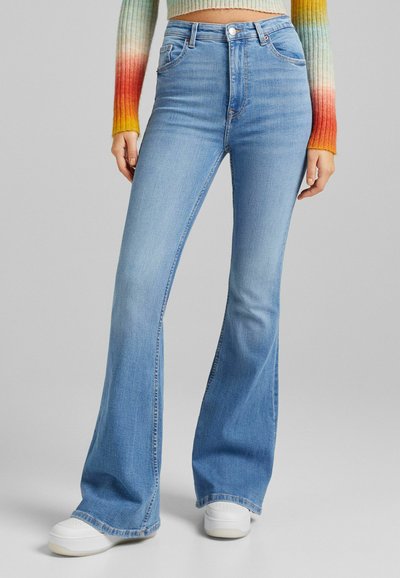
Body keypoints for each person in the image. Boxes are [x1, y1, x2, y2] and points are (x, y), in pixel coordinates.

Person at [48, 0, 336, 556]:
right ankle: (118, 501)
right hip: (187, 74)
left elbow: (313, 10)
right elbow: (138, 6)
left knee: (255, 296)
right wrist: (124, 112)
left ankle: (233, 479)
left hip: (279, 71)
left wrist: (325, 125)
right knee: (138, 287)